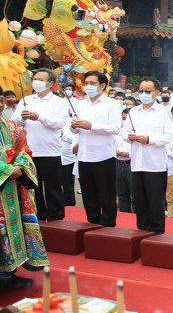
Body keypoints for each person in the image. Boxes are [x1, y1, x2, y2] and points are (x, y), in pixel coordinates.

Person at [14, 69, 69, 221]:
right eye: (35, 78)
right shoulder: (27, 100)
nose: (36, 82)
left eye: (41, 79)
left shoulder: (59, 102)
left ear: (51, 83)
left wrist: (39, 117)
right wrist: (22, 118)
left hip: (49, 151)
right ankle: (37, 215)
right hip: (28, 151)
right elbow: (14, 121)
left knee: (53, 187)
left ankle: (56, 217)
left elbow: (59, 123)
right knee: (32, 186)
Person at [0, 118, 49, 289]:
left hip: (13, 188)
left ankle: (8, 274)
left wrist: (20, 167)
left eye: (0, 100)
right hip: (4, 179)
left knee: (12, 227)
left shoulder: (10, 125)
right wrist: (6, 170)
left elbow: (24, 150)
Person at [124, 77, 173, 234]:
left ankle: (157, 233)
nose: (143, 94)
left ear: (157, 93)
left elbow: (169, 136)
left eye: (148, 91)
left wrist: (149, 139)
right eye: (141, 91)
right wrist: (130, 137)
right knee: (139, 201)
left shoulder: (163, 113)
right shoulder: (133, 111)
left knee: (155, 201)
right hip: (136, 163)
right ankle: (142, 231)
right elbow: (124, 133)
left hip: (155, 164)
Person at [71, 71, 122, 227]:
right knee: (88, 194)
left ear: (102, 85)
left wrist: (92, 126)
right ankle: (92, 222)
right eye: (86, 83)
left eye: (92, 83)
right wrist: (74, 126)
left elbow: (115, 128)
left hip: (104, 155)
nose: (89, 86)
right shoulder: (81, 104)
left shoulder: (112, 104)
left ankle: (108, 226)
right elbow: (74, 130)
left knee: (106, 193)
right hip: (84, 154)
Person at [115, 108, 133, 213]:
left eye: (127, 117)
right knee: (122, 195)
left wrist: (129, 154)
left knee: (135, 194)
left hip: (131, 163)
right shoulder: (118, 131)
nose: (124, 119)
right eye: (123, 117)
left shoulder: (137, 130)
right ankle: (124, 218)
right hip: (118, 163)